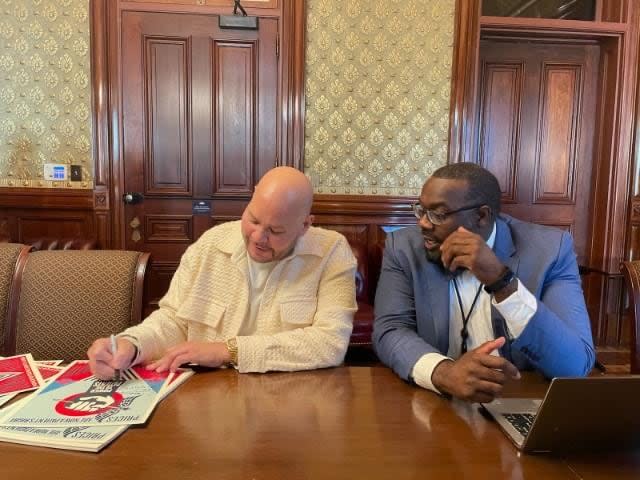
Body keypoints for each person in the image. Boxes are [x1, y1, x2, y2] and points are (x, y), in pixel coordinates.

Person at [88, 167, 357, 379]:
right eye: (253, 219)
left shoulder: (332, 252)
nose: (258, 237)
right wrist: (132, 345)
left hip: (289, 402)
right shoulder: (211, 243)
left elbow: (329, 342)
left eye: (276, 231)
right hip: (208, 403)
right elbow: (173, 320)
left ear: (304, 225)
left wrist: (227, 351)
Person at [373, 163, 595, 403]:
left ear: (481, 215)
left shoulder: (550, 251)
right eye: (421, 210)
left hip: (519, 399)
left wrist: (501, 281)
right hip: (435, 401)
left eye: (438, 214)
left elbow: (575, 366)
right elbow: (390, 330)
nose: (423, 224)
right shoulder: (403, 248)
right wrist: (444, 372)